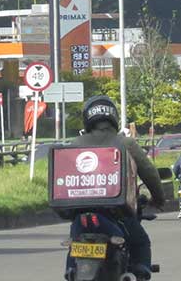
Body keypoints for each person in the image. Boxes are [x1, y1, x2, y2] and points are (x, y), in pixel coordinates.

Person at [69, 96, 164, 276]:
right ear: (113, 117)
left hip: (81, 213)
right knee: (141, 242)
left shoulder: (76, 144)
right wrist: (158, 199)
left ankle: (70, 269)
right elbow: (149, 172)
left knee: (75, 240)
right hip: (116, 213)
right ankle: (139, 271)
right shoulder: (126, 143)